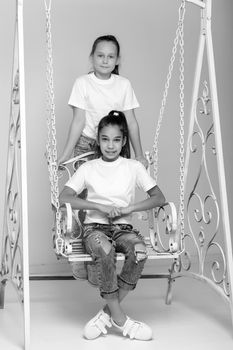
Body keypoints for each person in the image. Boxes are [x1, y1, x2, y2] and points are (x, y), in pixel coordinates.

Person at [59, 111, 166, 340]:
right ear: (98, 140)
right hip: (95, 229)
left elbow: (158, 198)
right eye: (105, 139)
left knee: (139, 252)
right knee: (104, 250)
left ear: (124, 141)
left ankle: (106, 315)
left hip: (123, 230)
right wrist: (97, 205)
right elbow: (64, 197)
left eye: (116, 140)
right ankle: (121, 320)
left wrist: (129, 209)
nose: (110, 145)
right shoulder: (88, 168)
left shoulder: (132, 167)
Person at [58, 34, 147, 167]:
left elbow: (131, 121)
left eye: (110, 57)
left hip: (114, 143)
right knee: (85, 185)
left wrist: (139, 155)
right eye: (100, 56)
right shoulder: (82, 83)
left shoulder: (124, 84)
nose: (105, 61)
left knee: (114, 186)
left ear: (117, 60)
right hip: (87, 144)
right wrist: (65, 155)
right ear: (92, 57)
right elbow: (78, 121)